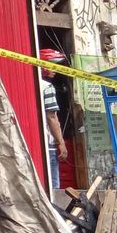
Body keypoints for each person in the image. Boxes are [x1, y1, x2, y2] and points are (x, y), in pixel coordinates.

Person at [39, 48, 69, 188]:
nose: (54, 69)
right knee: (53, 186)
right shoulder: (47, 87)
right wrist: (61, 142)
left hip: (35, 143)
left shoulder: (32, 84)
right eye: (51, 65)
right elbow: (51, 117)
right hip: (48, 145)